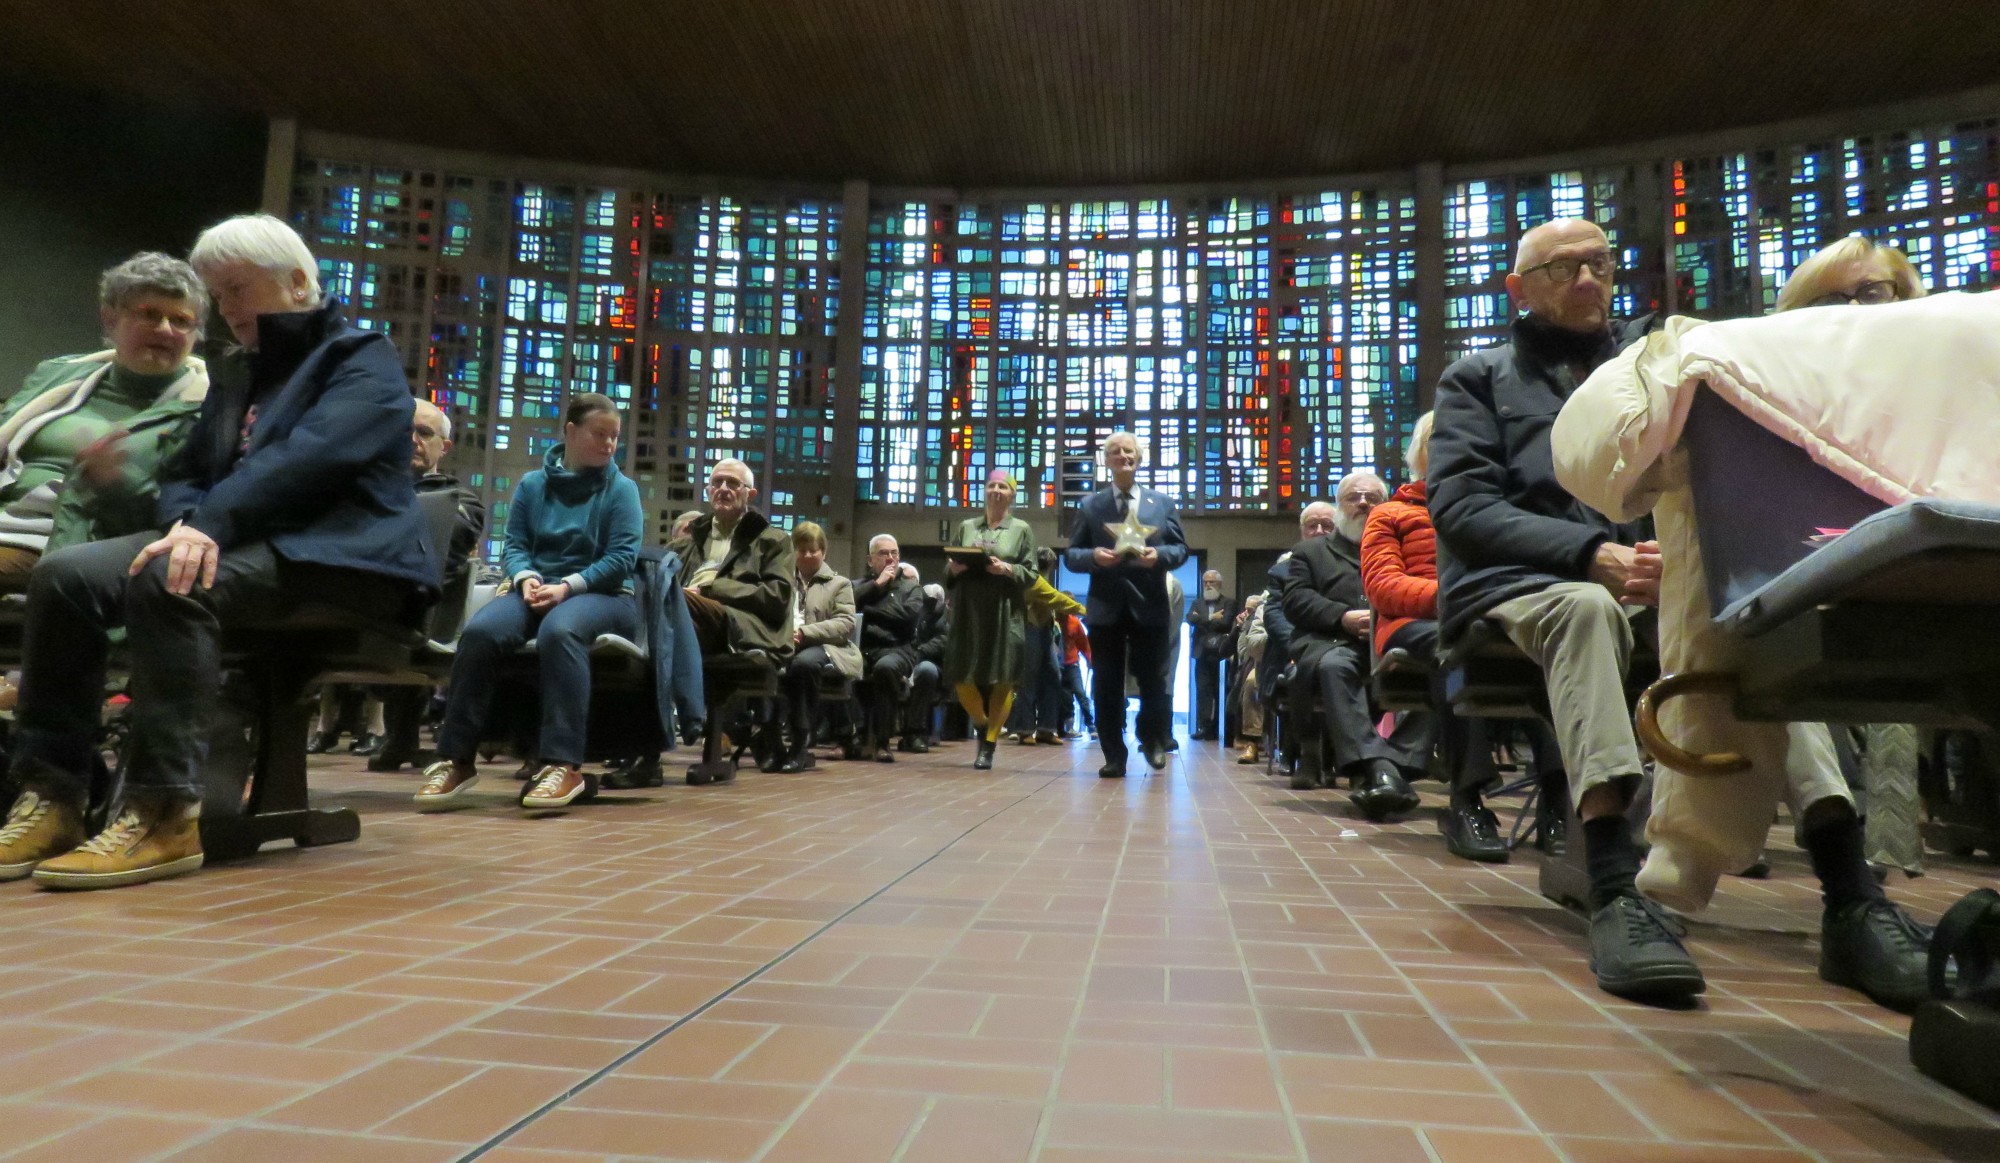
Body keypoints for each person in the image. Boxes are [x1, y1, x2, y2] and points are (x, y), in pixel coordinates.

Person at [1549, 231, 1936, 1011]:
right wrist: (1597, 553)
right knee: (1723, 616)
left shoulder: (1944, 375)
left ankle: (1809, 883)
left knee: (1757, 616)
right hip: (1566, 580)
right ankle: (1624, 877)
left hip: (1757, 579)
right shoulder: (1496, 377)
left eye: (1877, 296)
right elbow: (1474, 509)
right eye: (1836, 299)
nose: (1590, 275)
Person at [0, 213, 434, 888]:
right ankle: (53, 794)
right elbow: (187, 472)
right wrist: (183, 522)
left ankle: (164, 810)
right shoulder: (239, 373)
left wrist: (208, 527)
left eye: (236, 289)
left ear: (295, 282)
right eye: (219, 295)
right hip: (240, 543)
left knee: (174, 579)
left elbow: (310, 460)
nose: (224, 310)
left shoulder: (360, 356)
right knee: (63, 577)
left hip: (342, 558)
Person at [414, 393, 640, 812]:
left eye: (614, 438)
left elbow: (621, 560)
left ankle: (563, 764)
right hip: (537, 588)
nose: (609, 445)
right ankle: (456, 758)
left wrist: (567, 586)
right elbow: (514, 546)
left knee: (561, 630)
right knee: (481, 632)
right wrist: (525, 576)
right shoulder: (533, 485)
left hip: (604, 595)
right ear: (571, 432)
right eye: (600, 435)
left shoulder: (621, 490)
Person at [1363, 412, 1560, 860]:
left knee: (1548, 649)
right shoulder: (1390, 514)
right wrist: (1456, 599)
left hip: (1489, 619)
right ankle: (1467, 800)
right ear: (1425, 452)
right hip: (1418, 626)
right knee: (1453, 649)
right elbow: (1384, 587)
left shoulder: (1497, 511)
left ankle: (1558, 799)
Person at [0, 253, 211, 592]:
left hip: (70, 538)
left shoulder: (209, 406)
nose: (165, 330)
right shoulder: (57, 374)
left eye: (181, 320)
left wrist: (115, 482)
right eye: (149, 314)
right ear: (110, 318)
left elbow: (187, 509)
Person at [1280, 480, 1430, 817]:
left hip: (1393, 639)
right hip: (1333, 641)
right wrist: (1342, 617)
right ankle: (1377, 765)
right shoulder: (1310, 552)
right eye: (1353, 497)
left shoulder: (1403, 545)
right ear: (1338, 507)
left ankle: (1393, 767)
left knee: (1441, 665)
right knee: (1335, 666)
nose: (1362, 503)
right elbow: (1296, 600)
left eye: (1372, 498)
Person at [369, 398, 488, 772]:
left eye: (424, 433)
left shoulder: (461, 499)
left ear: (444, 447)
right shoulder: (371, 488)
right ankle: (399, 739)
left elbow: (438, 554)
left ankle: (403, 738)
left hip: (429, 612)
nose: (413, 440)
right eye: (406, 431)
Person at [1065, 432, 1188, 778]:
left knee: (1154, 679)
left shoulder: (1161, 504)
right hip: (1106, 607)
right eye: (1115, 451)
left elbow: (1180, 550)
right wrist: (1093, 556)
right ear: (1106, 460)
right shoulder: (1091, 506)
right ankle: (1113, 755)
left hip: (1149, 605)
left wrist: (1158, 556)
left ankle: (1151, 738)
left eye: (1129, 451)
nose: (1123, 456)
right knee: (1106, 683)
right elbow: (1071, 556)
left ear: (1140, 458)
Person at [945, 469, 1037, 770]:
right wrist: (953, 570)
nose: (996, 490)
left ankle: (989, 743)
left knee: (1004, 678)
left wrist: (1008, 569)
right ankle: (983, 723)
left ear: (1012, 495)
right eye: (991, 485)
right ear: (984, 491)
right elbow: (949, 570)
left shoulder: (1021, 529)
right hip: (969, 612)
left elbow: (1032, 574)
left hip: (1004, 611)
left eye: (1003, 486)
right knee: (962, 675)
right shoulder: (967, 526)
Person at [670, 458, 795, 660]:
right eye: (717, 483)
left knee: (675, 600)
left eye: (733, 483)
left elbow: (777, 597)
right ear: (708, 491)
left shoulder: (773, 541)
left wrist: (709, 590)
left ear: (750, 494)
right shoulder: (682, 546)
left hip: (742, 625)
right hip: (690, 615)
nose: (723, 489)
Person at [772, 520, 861, 773]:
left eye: (814, 550)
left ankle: (800, 742)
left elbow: (845, 624)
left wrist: (803, 633)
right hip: (783, 644)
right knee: (759, 662)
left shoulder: (839, 584)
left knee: (803, 665)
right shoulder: (781, 581)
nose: (808, 555)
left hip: (828, 648)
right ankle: (769, 739)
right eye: (802, 550)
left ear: (824, 551)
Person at [851, 535, 934, 762]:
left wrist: (869, 611)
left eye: (894, 553)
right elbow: (848, 605)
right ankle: (848, 737)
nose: (890, 558)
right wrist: (877, 586)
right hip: (864, 647)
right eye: (883, 553)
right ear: (870, 560)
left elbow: (908, 617)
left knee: (885, 668)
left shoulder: (911, 588)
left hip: (898, 649)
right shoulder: (857, 586)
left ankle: (882, 741)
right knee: (842, 665)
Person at [1186, 569, 1235, 740]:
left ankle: (1219, 727)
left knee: (1220, 691)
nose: (1207, 585)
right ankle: (1204, 727)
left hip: (1220, 655)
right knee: (1202, 691)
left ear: (1219, 584)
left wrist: (1203, 621)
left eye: (1211, 582)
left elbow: (1226, 622)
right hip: (1201, 654)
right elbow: (1189, 619)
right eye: (1205, 582)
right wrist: (1211, 617)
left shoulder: (1229, 602)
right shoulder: (1197, 603)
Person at [1233, 592, 1268, 763]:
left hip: (1303, 655)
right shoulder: (1266, 605)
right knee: (1251, 682)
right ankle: (1252, 742)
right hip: (1269, 659)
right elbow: (1252, 646)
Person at [1058, 608, 1094, 738]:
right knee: (1065, 697)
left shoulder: (1074, 622)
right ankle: (1069, 727)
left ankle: (1090, 725)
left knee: (1080, 693)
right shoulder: (1054, 622)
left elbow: (1083, 643)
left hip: (1072, 664)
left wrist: (1090, 659)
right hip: (1059, 665)